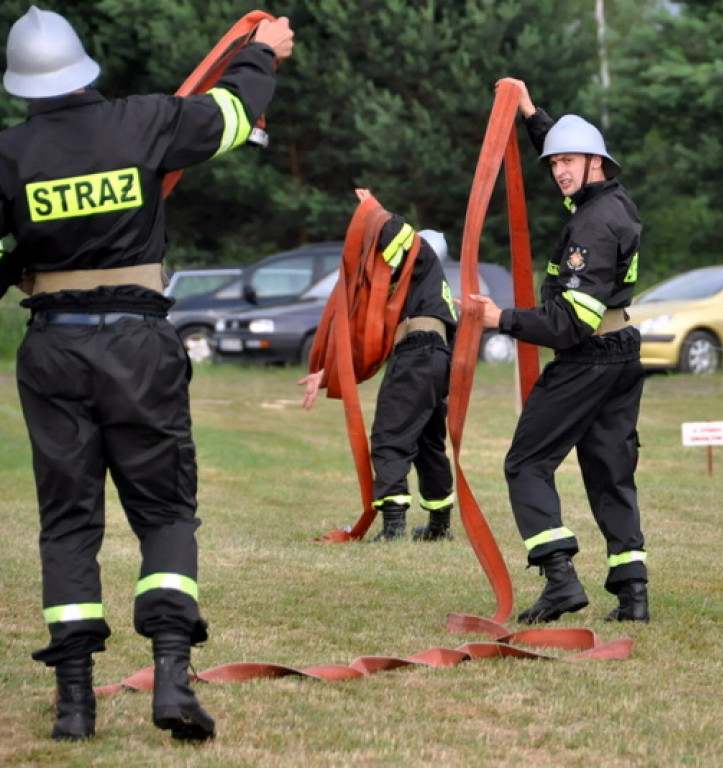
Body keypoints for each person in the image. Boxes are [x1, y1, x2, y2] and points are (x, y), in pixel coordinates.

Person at [0, 7, 294, 741]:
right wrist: (261, 53)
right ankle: (170, 679)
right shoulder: (144, 122)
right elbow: (232, 114)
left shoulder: (8, 154)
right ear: (85, 69)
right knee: (164, 513)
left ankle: (74, 705)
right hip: (137, 347)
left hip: (52, 350)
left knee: (68, 523)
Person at [468, 78, 649, 624]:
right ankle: (633, 593)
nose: (560, 172)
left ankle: (560, 579)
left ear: (596, 162)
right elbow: (565, 147)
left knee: (526, 463)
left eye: (569, 162)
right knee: (610, 471)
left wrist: (501, 319)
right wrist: (529, 113)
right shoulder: (613, 199)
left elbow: (569, 322)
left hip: (588, 359)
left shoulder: (591, 227)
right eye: (553, 164)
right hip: (621, 354)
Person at [301, 190, 459, 543]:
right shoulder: (431, 294)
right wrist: (329, 371)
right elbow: (369, 343)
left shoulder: (421, 259)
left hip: (416, 356)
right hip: (435, 361)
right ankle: (438, 525)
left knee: (390, 437)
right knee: (428, 442)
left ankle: (393, 527)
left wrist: (372, 210)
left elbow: (395, 233)